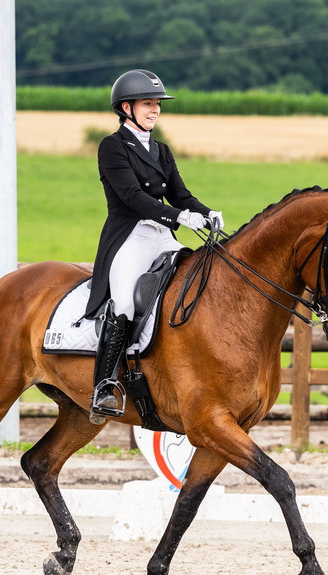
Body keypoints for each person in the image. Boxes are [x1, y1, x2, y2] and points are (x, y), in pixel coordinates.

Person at [84, 68, 222, 420]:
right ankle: (104, 386)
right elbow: (131, 197)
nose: (155, 110)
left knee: (196, 285)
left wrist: (206, 213)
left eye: (157, 104)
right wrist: (178, 217)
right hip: (130, 236)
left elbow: (181, 194)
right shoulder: (112, 147)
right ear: (126, 108)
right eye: (148, 104)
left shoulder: (161, 150)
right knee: (127, 304)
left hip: (162, 237)